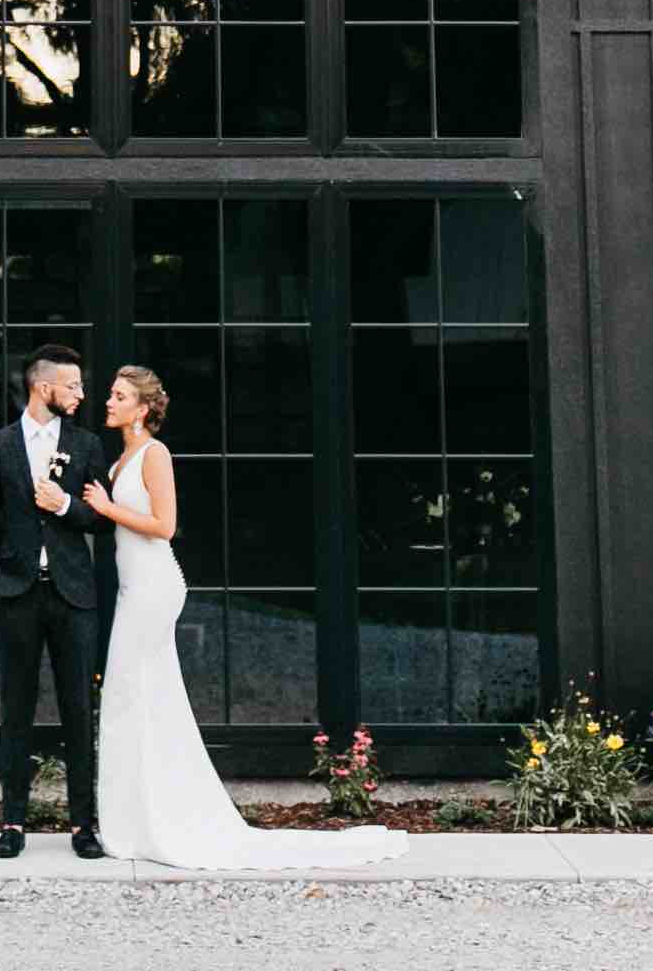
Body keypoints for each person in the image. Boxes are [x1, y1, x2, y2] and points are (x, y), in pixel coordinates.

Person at [77, 364, 409, 872]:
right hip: (132, 589)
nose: (108, 401)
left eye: (118, 396)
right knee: (131, 697)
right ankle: (134, 819)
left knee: (136, 693)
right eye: (111, 395)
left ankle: (156, 820)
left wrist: (104, 508)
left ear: (141, 408)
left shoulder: (154, 454)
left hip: (154, 588)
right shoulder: (122, 457)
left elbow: (164, 526)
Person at [0, 341, 110, 860]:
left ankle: (82, 826)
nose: (80, 394)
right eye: (72, 385)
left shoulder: (88, 443)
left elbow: (101, 516)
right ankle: (12, 822)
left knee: (79, 709)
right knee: (16, 711)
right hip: (16, 596)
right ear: (42, 386)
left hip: (73, 596)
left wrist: (66, 503)